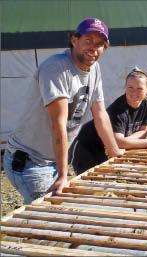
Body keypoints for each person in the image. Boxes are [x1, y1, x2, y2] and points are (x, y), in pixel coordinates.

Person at [3, 18, 125, 204]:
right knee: (49, 218)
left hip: (53, 159)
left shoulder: (94, 69)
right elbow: (57, 123)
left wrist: (114, 151)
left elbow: (100, 113)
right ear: (74, 40)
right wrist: (63, 175)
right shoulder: (57, 68)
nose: (94, 47)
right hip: (31, 161)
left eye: (100, 44)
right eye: (88, 40)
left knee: (56, 213)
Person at [70, 68, 147, 175]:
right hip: (86, 145)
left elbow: (144, 130)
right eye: (130, 87)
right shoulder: (118, 110)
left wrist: (125, 142)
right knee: (90, 182)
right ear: (125, 87)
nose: (134, 92)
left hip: (108, 146)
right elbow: (119, 142)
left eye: (139, 88)